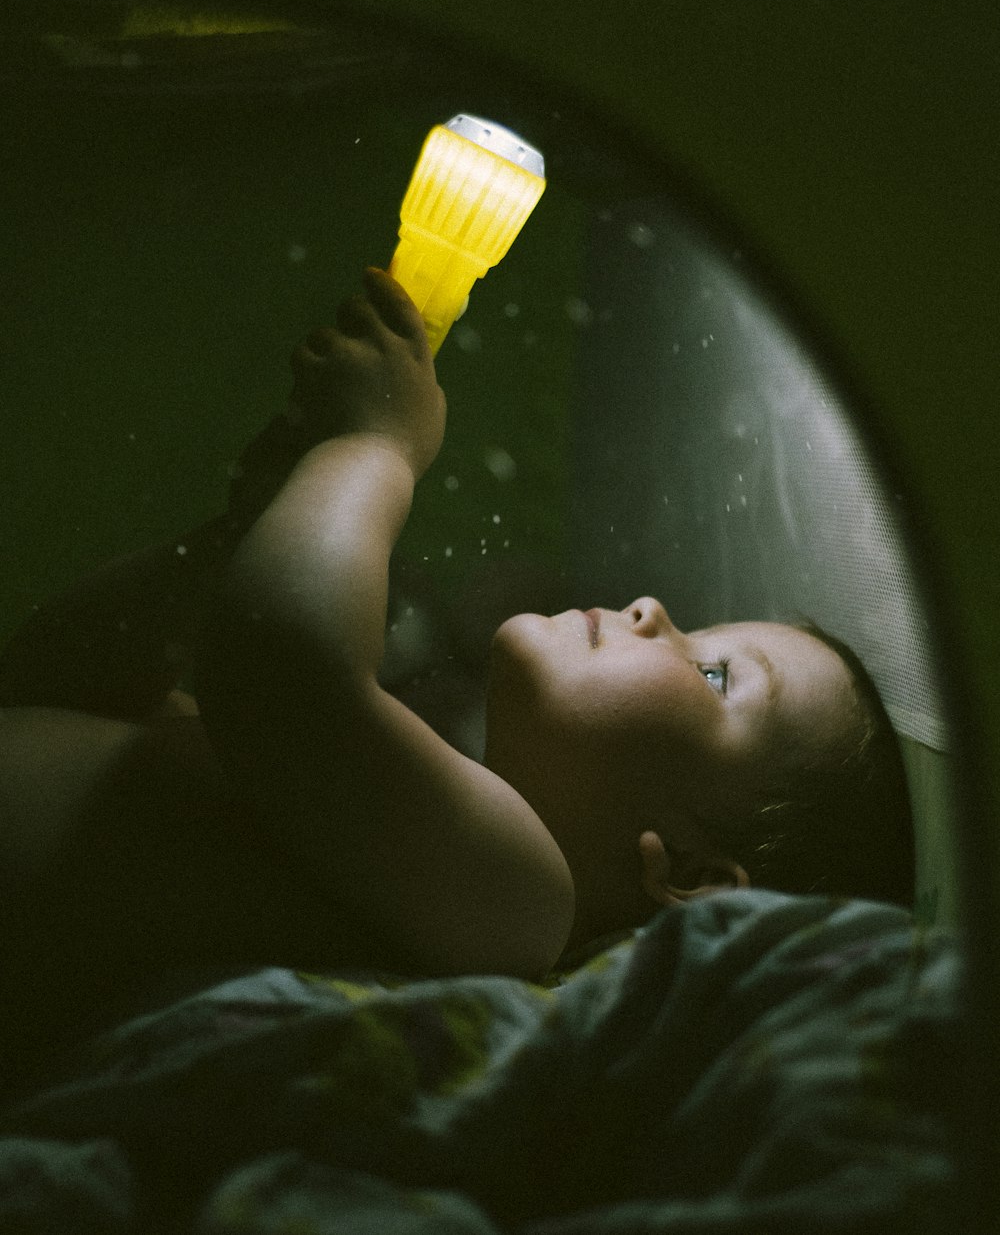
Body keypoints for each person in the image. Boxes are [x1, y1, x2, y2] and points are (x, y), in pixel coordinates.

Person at [0, 269, 913, 1062]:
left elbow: (280, 670)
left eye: (715, 675)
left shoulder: (521, 907)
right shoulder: (388, 806)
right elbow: (56, 673)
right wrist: (232, 541)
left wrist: (375, 447)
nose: (655, 612)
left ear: (693, 876)